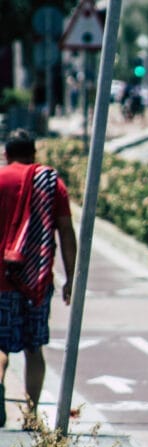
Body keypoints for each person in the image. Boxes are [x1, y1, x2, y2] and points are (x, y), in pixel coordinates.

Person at [0, 129, 77, 428]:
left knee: (0, 345)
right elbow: (66, 233)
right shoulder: (50, 183)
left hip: (1, 280)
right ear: (33, 155)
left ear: (6, 154)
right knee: (34, 348)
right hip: (36, 281)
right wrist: (72, 278)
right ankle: (31, 415)